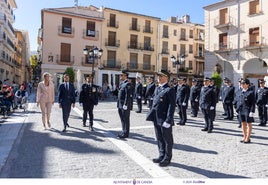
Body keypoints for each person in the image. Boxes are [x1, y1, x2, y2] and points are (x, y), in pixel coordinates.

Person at [146, 70, 175, 167]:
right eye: (158, 76)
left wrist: (168, 120)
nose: (159, 78)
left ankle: (167, 158)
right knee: (159, 138)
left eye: (161, 76)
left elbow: (171, 106)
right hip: (156, 117)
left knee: (167, 139)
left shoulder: (170, 89)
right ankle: (161, 155)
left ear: (166, 78)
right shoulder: (157, 88)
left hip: (164, 118)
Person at [235, 78, 255, 143]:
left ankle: (248, 138)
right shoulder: (239, 92)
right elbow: (237, 101)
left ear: (247, 84)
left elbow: (253, 103)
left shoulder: (250, 92)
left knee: (249, 124)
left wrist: (252, 111)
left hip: (247, 110)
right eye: (241, 84)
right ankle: (244, 136)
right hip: (241, 110)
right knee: (243, 123)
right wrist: (236, 109)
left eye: (243, 84)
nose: (242, 85)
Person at [117, 70, 132, 138]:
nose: (120, 76)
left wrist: (125, 104)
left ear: (125, 76)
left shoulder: (127, 84)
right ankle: (123, 131)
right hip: (120, 105)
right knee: (122, 119)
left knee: (126, 119)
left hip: (124, 105)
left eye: (122, 75)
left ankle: (126, 133)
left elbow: (127, 95)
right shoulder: (122, 84)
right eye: (120, 75)